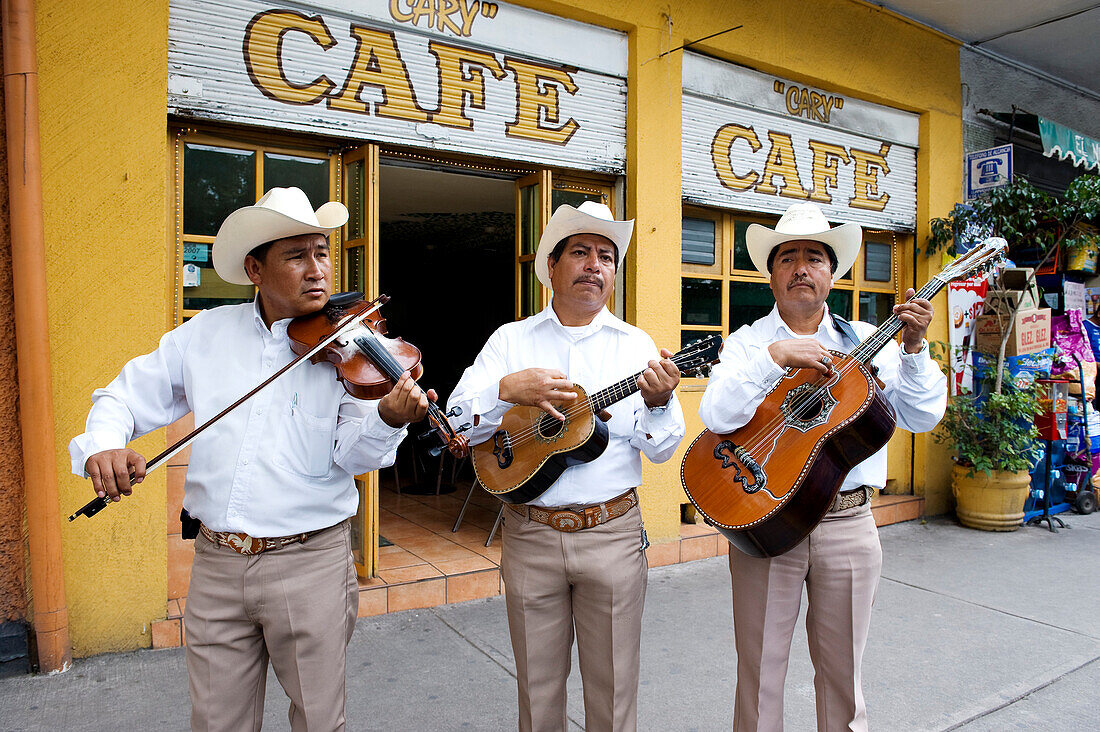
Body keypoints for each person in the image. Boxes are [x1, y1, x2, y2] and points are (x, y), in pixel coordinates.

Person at [69, 187, 432, 731]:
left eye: (322, 252)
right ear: (255, 269)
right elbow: (122, 397)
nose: (318, 270)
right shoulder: (204, 336)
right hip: (218, 564)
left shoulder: (351, 350)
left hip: (310, 564)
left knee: (318, 719)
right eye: (297, 256)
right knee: (218, 722)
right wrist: (103, 444)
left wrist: (388, 419)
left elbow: (353, 456)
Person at [698, 202, 947, 731]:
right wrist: (776, 358)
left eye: (814, 257)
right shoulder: (747, 343)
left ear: (833, 274)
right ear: (771, 275)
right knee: (760, 674)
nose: (801, 268)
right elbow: (716, 414)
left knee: (842, 677)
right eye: (787, 258)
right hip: (767, 518)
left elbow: (923, 415)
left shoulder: (865, 342)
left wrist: (915, 347)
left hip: (849, 524)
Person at [448, 201, 686, 732]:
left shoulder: (638, 347)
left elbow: (665, 449)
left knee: (615, 687)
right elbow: (457, 425)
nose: (594, 265)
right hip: (531, 534)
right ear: (551, 267)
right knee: (537, 689)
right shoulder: (511, 341)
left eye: (606, 256)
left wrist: (659, 402)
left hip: (612, 533)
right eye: (580, 252)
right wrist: (505, 389)